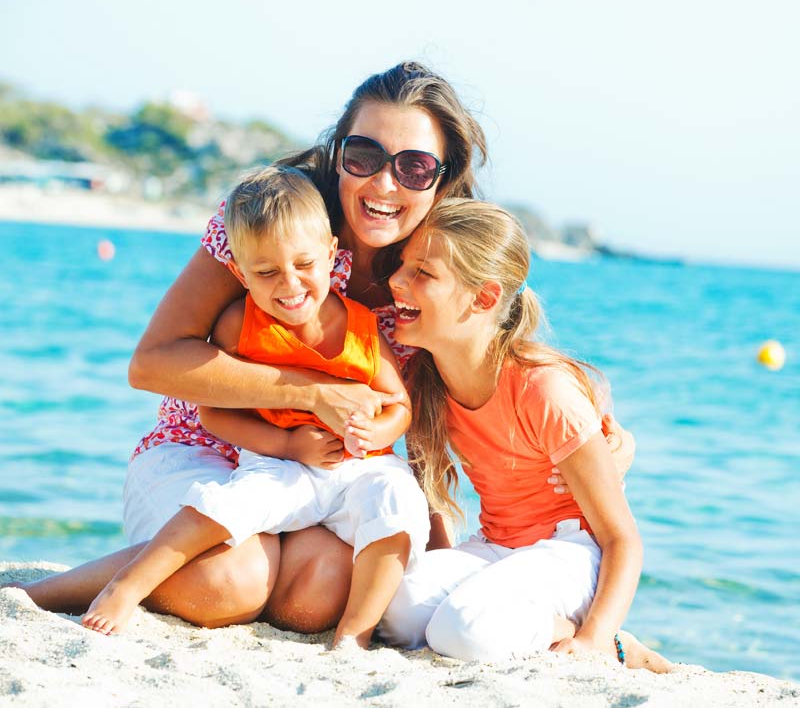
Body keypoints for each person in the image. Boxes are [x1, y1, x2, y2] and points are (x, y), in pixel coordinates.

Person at [15, 61, 633, 634]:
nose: (384, 182)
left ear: (441, 181)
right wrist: (312, 392)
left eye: (414, 167)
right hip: (207, 443)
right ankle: (46, 591)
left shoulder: (432, 277)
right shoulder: (271, 225)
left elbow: (453, 408)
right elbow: (151, 364)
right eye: (364, 154)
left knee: (316, 597)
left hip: (333, 476)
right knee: (229, 583)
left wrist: (588, 441)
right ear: (339, 154)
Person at [80, 165, 429, 647]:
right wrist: (287, 442)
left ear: (332, 255)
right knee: (230, 510)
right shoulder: (240, 324)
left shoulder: (362, 325)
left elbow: (399, 404)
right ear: (240, 272)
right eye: (266, 273)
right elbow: (212, 412)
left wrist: (381, 432)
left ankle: (355, 635)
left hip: (355, 469)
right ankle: (124, 584)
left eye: (304, 266)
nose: (289, 285)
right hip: (278, 462)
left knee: (387, 511)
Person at [377, 199, 672, 672]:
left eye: (423, 273)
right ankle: (494, 616)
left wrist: (594, 639)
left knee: (462, 632)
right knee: (395, 608)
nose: (396, 281)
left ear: (484, 298)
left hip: (573, 553)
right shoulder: (424, 382)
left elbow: (622, 540)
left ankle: (608, 642)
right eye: (403, 266)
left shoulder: (544, 390)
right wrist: (443, 582)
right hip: (499, 546)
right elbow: (428, 495)